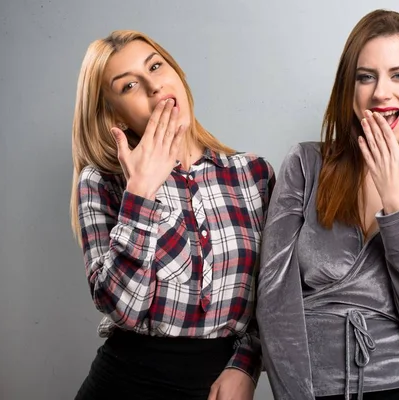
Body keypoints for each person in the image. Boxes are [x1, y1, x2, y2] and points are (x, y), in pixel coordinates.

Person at [257, 9, 399, 400]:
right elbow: (273, 301)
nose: (380, 93)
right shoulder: (306, 165)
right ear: (350, 90)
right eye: (365, 76)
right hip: (313, 388)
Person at [70, 30, 274, 400]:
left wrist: (247, 363)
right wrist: (141, 193)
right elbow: (124, 309)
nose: (153, 87)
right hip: (126, 383)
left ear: (177, 72)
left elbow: (276, 295)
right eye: (130, 85)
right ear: (113, 112)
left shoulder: (252, 174)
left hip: (219, 385)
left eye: (156, 66)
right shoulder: (102, 181)